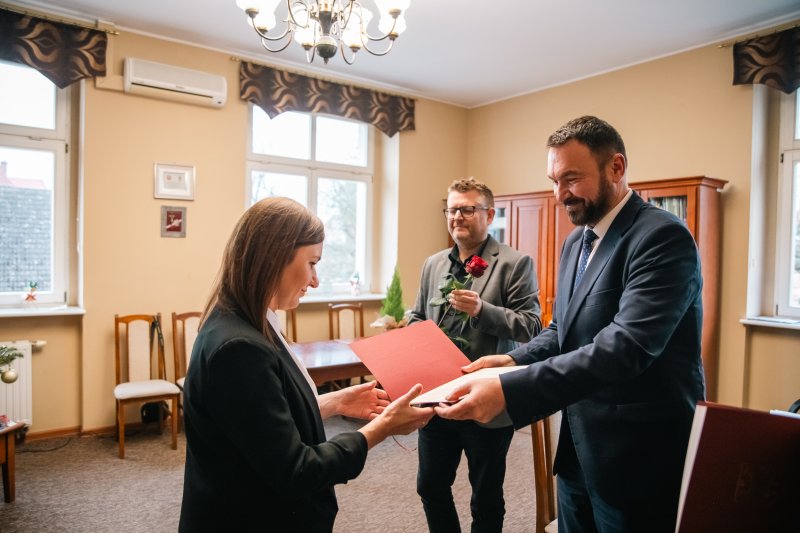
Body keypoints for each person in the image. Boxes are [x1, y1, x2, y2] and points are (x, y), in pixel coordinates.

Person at [435, 116, 705, 532]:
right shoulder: (575, 241)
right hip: (579, 447)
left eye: (572, 179)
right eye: (554, 180)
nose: (560, 194)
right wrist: (511, 361)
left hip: (639, 456)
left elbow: (625, 348)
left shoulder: (661, 237)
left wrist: (510, 390)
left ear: (616, 167)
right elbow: (561, 329)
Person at [179, 197, 435, 532]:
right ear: (274, 257)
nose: (315, 281)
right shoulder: (239, 348)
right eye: (312, 263)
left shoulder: (244, 320)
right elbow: (296, 470)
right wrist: (382, 427)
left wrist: (332, 402)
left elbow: (259, 419)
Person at [408, 177, 541, 532]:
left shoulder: (515, 263)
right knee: (430, 486)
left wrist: (483, 309)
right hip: (436, 396)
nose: (457, 217)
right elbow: (417, 316)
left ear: (489, 214)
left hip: (486, 398)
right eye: (452, 210)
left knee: (485, 497)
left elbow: (532, 327)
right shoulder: (432, 263)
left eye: (467, 209)